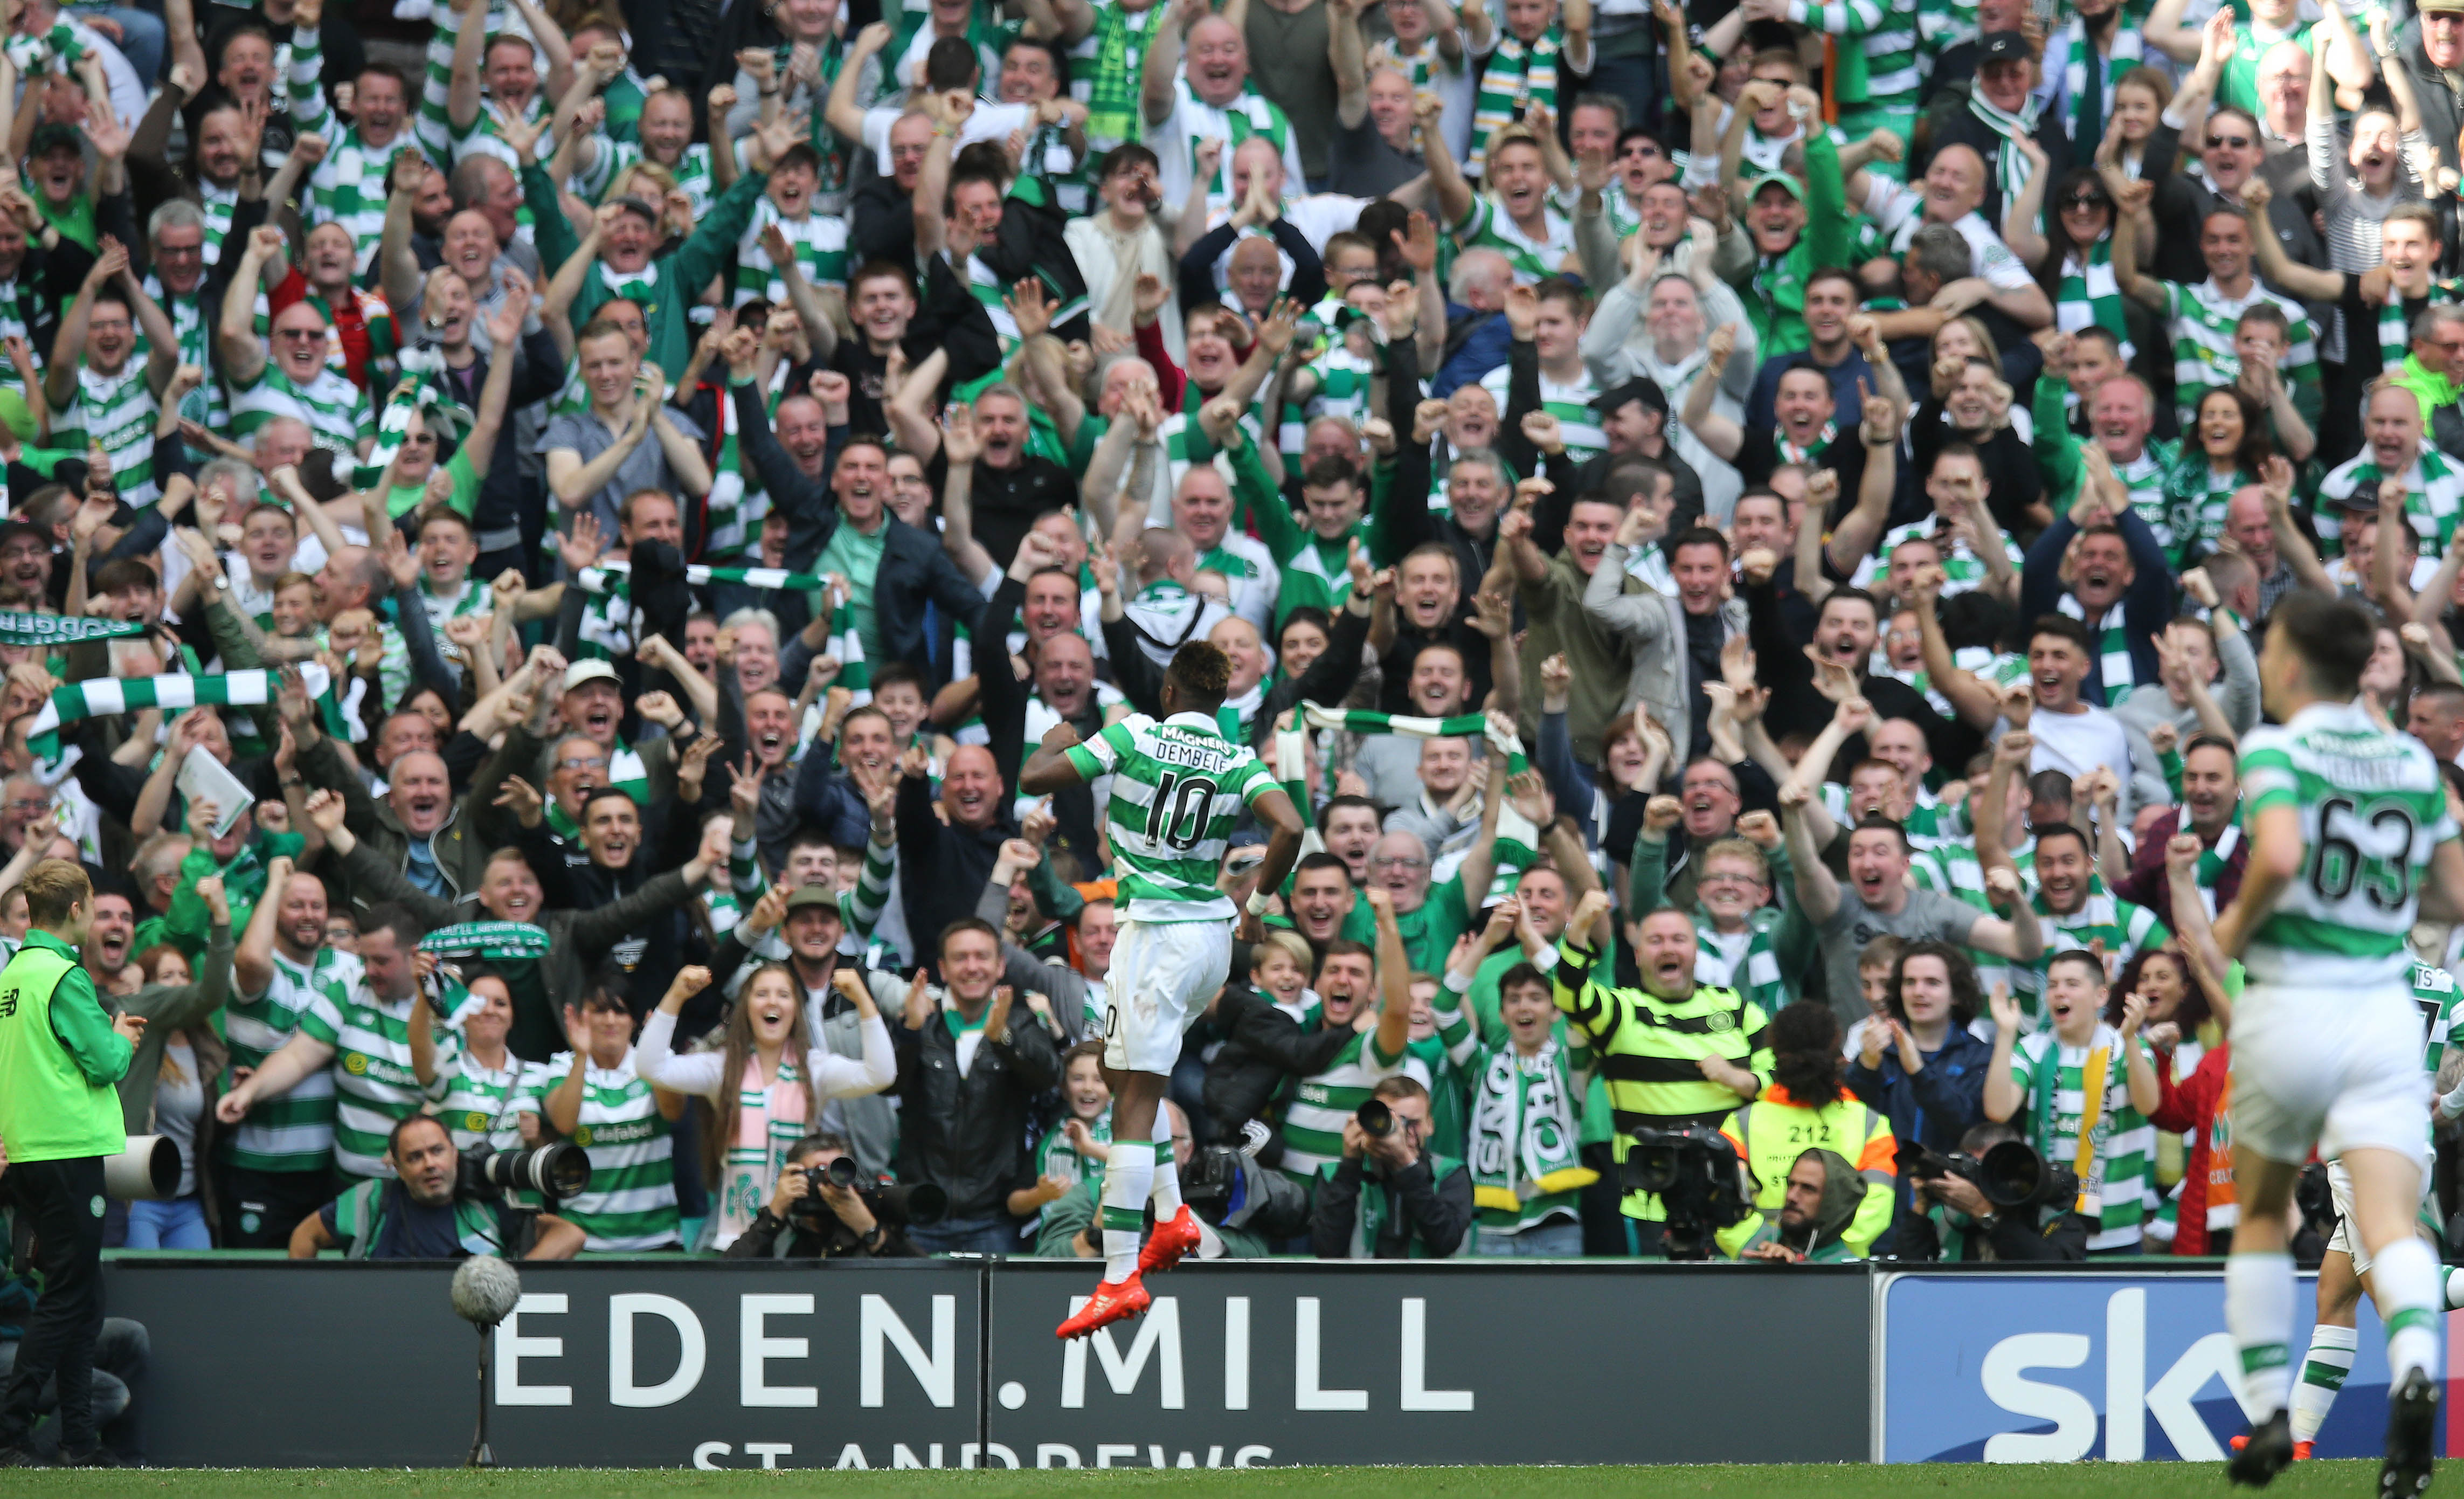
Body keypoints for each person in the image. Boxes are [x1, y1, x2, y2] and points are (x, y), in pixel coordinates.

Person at [2212, 590, 2464, 1489]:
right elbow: (2452, 896)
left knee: (2255, 1212)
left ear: (2283, 662)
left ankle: (2267, 1415)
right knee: (2392, 1224)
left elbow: (2278, 856)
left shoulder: (2274, 748)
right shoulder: (2406, 761)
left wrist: (2230, 933)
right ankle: (2411, 1373)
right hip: (2380, 1016)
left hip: (2292, 1000)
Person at [1021, 639, 1305, 1337]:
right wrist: (1261, 904)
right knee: (1122, 1073)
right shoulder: (1240, 759)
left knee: (1134, 1108)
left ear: (1171, 692)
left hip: (1155, 939)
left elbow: (1035, 779)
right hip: (1208, 940)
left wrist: (1057, 738)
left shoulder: (1136, 733)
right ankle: (1173, 1215)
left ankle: (1119, 1276)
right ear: (1222, 702)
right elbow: (1292, 826)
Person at [0, 859, 144, 1467]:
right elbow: (106, 1063)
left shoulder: (13, 975)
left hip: (28, 1151)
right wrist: (124, 1037)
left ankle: (78, 1439)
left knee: (82, 1295)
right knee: (67, 1294)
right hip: (65, 1150)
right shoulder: (64, 976)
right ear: (80, 910)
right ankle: (9, 1426)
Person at [1550, 889, 1771, 1255]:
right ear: (1638, 955)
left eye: (1678, 939)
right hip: (1651, 1203)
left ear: (1696, 950)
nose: (1668, 948)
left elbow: (1778, 1080)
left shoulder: (1737, 1009)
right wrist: (1580, 929)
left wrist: (1737, 1079)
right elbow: (1570, 995)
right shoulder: (1621, 1011)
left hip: (1734, 1198)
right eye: (1655, 941)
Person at [286, 1113, 584, 1260]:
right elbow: (305, 1236)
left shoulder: (483, 1201)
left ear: (455, 1153)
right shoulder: (373, 1200)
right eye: (415, 1158)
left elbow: (570, 1234)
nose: (430, 1164)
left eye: (437, 1151)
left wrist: (514, 1279)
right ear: (399, 1169)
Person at [1307, 1074, 1475, 1258]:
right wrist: (1351, 1163)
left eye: (1414, 1123)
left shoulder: (1449, 1173)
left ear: (1430, 1125)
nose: (1403, 1131)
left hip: (1424, 1284)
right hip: (1359, 1284)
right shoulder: (1335, 1175)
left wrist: (1405, 1165)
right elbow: (1327, 1250)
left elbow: (1447, 1241)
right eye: (1392, 1122)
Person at [723, 1132, 924, 1259]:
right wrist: (774, 1214)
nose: (829, 1183)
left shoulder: (873, 1220)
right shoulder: (784, 1235)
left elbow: (929, 1280)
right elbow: (726, 1276)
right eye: (818, 1173)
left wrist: (867, 1228)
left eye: (838, 1172)